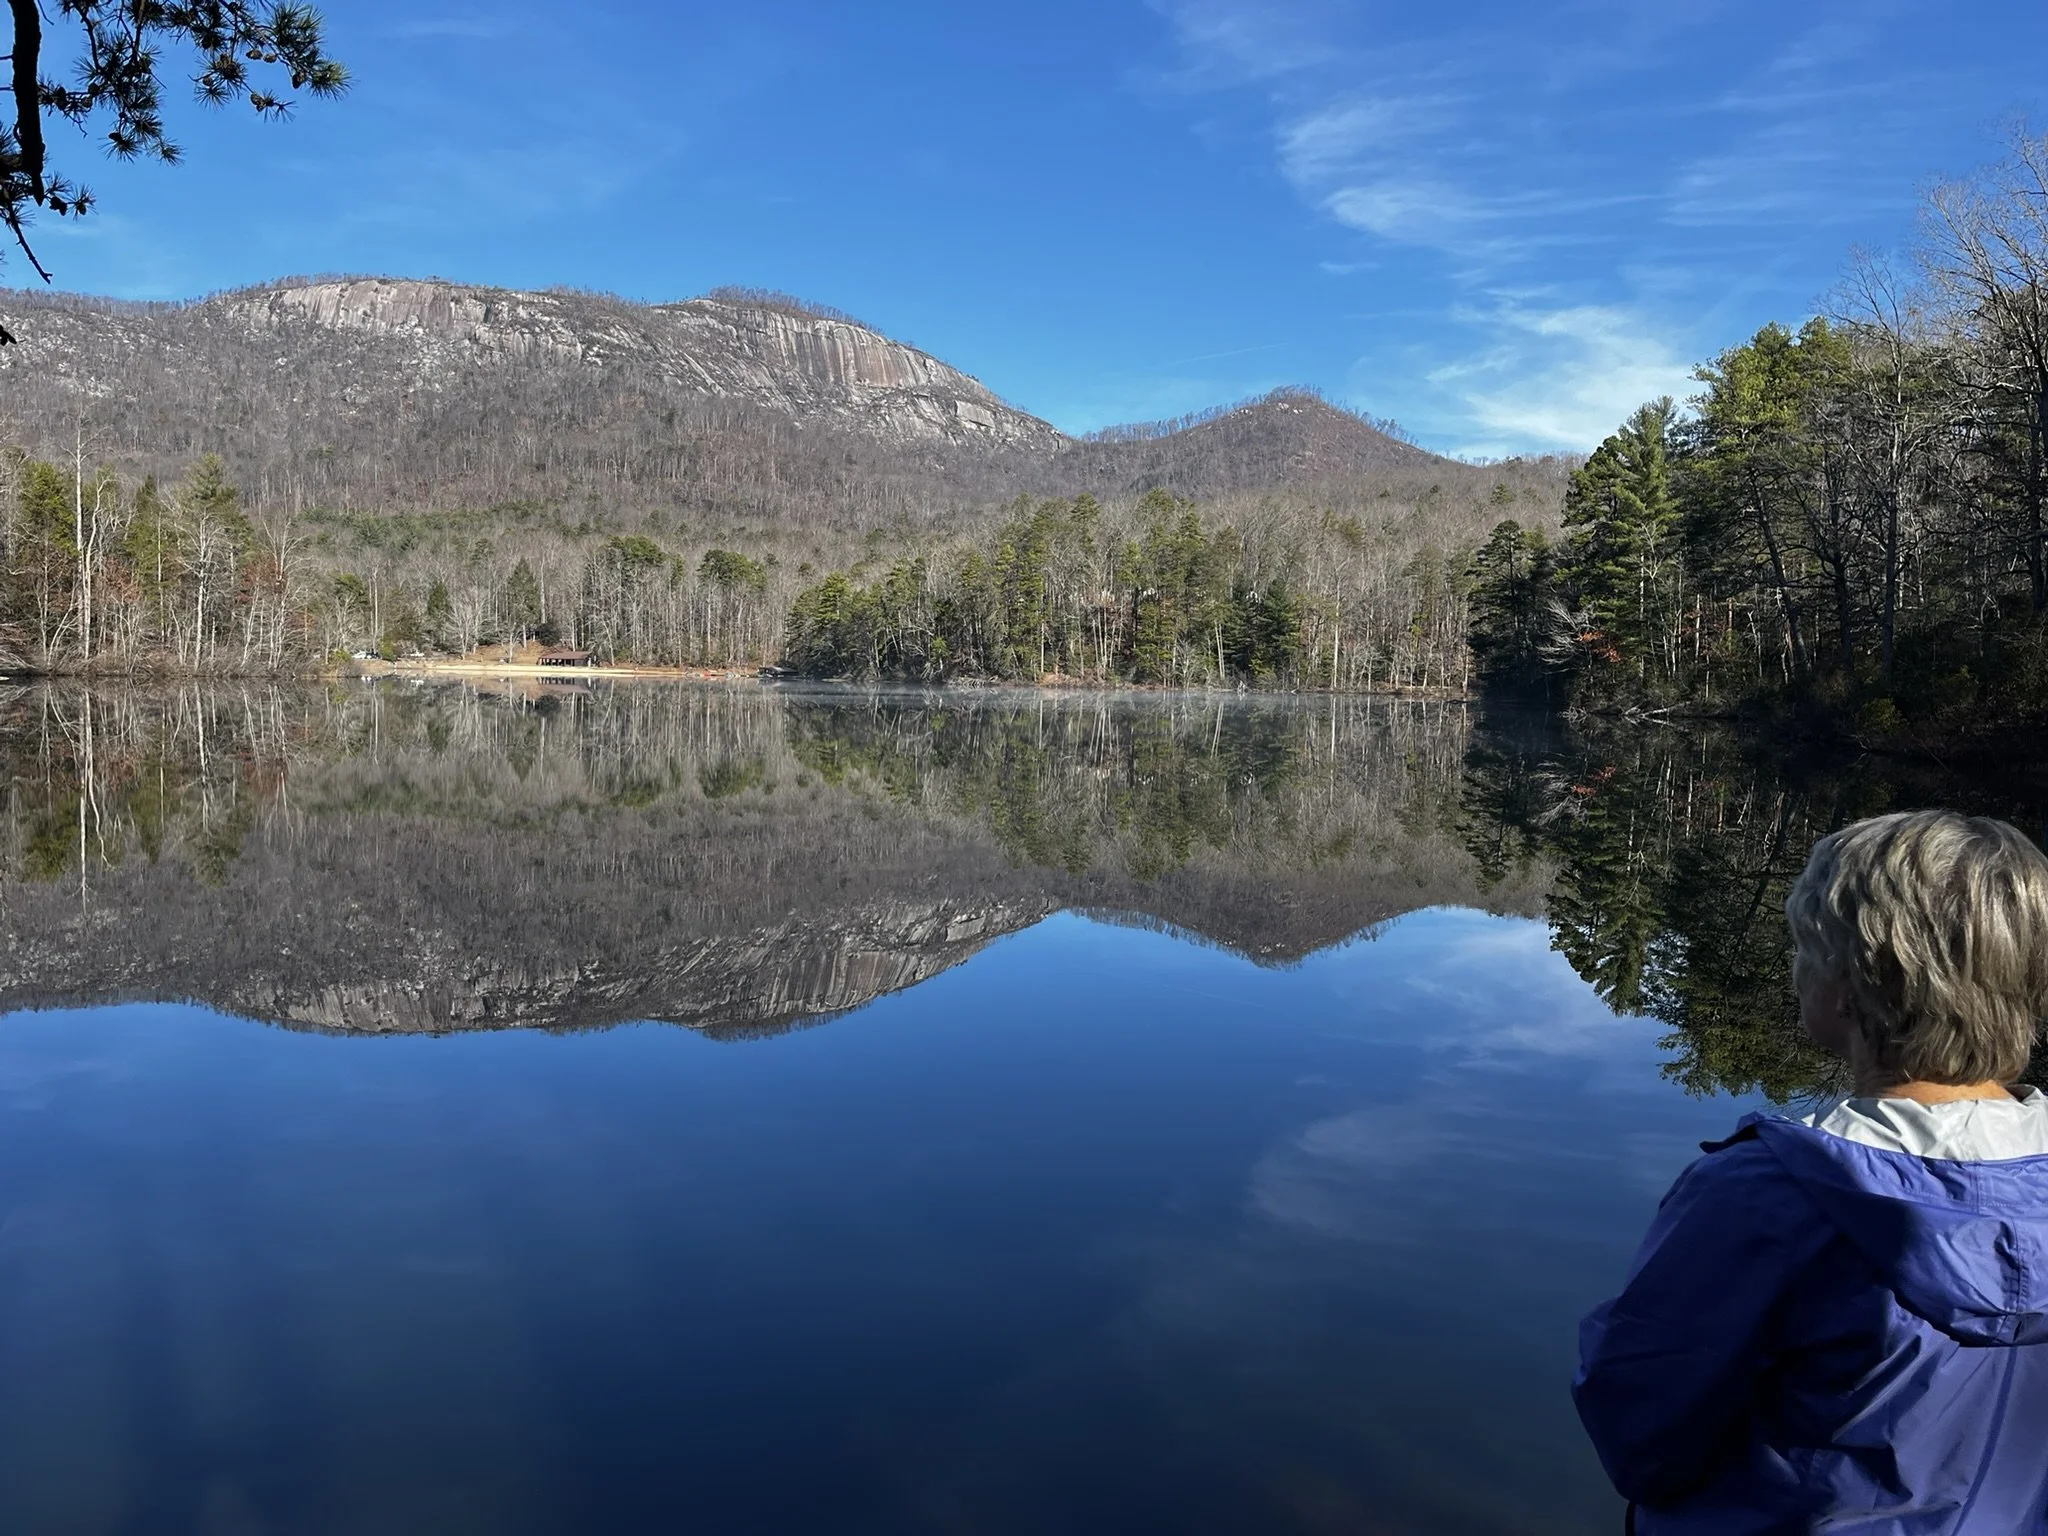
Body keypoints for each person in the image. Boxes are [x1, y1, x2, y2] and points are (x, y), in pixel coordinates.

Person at [1574, 809, 2048, 1534]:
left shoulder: (1770, 1194)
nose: (1795, 968)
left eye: (1805, 948)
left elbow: (1641, 1434)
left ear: (1851, 986)